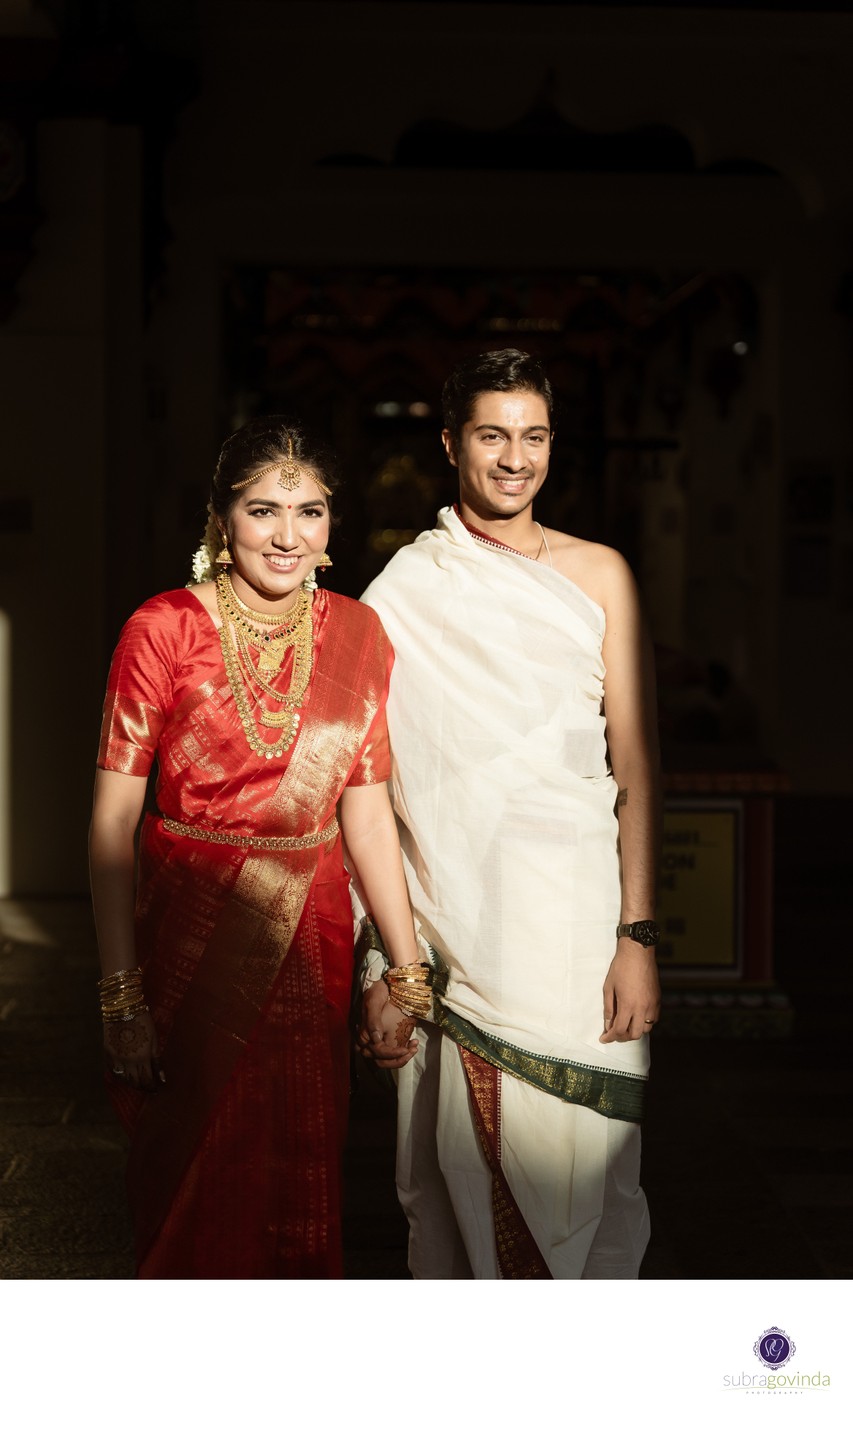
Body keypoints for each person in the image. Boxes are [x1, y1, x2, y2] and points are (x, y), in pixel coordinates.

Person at [89, 416, 419, 1279]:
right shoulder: (161, 629)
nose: (286, 535)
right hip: (187, 930)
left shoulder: (358, 633)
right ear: (221, 519)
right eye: (261, 509)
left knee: (301, 1162)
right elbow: (109, 827)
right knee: (188, 1168)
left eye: (308, 512)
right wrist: (120, 994)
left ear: (331, 524)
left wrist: (405, 966)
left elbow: (368, 812)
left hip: (311, 942)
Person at [360, 349, 662, 1280]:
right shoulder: (404, 591)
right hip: (459, 930)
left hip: (573, 929)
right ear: (451, 444)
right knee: (460, 1175)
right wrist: (387, 960)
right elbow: (363, 785)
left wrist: (637, 934)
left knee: (591, 1169)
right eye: (492, 435)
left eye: (531, 437)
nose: (513, 457)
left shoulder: (599, 574)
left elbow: (636, 765)